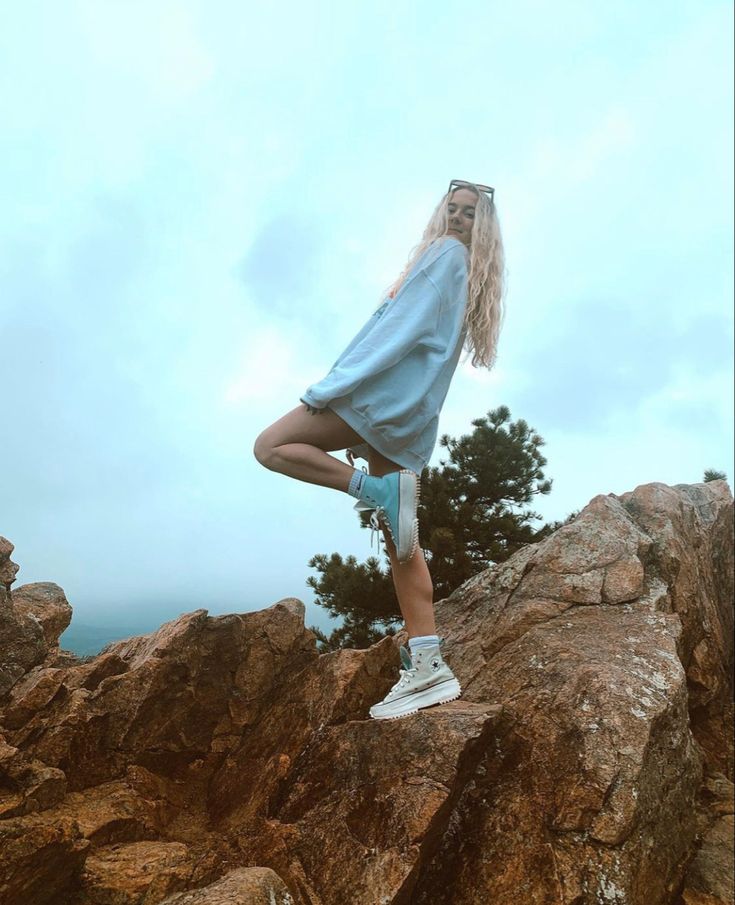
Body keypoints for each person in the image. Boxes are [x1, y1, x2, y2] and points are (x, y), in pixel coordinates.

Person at [253, 179, 506, 719]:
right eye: (453, 210)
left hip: (377, 402)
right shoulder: (470, 274)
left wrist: (332, 387)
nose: (459, 219)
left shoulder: (443, 256)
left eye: (469, 215)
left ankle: (373, 490)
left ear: (481, 227)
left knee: (271, 446)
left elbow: (397, 332)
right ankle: (429, 664)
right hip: (411, 418)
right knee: (403, 545)